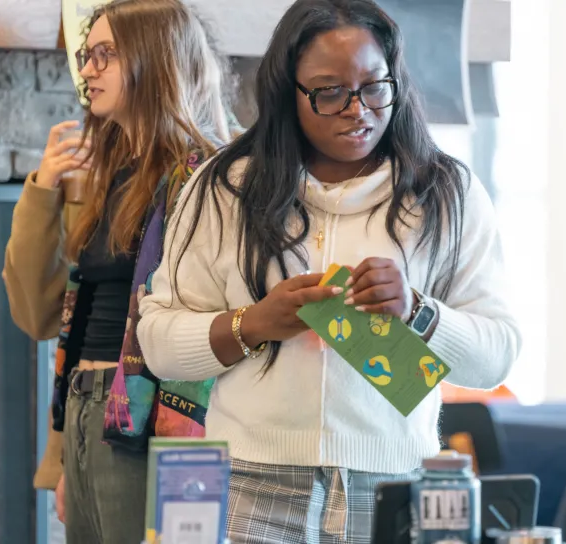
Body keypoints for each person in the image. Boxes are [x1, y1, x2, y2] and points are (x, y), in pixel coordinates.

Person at [136, 0, 521, 542]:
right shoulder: (225, 188)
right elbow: (157, 342)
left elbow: (497, 355)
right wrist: (254, 323)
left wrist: (419, 312)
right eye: (330, 91)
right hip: (251, 481)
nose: (357, 109)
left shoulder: (446, 194)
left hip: (395, 480)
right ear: (286, 91)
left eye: (373, 86)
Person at [2, 0, 237, 542]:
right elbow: (36, 317)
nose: (86, 69)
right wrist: (41, 193)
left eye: (104, 54)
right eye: (88, 54)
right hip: (84, 405)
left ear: (155, 60)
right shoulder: (101, 173)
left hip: (153, 420)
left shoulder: (208, 176)